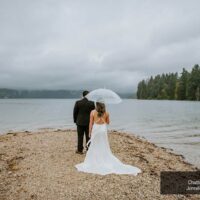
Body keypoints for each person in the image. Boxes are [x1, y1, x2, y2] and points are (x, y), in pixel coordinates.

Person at [75, 101, 141, 175]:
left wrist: (90, 132)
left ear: (97, 106)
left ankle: (96, 158)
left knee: (95, 144)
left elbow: (91, 123)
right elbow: (108, 122)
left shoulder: (92, 112)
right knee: (103, 144)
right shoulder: (106, 113)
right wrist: (104, 119)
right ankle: (103, 157)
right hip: (102, 129)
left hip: (96, 129)